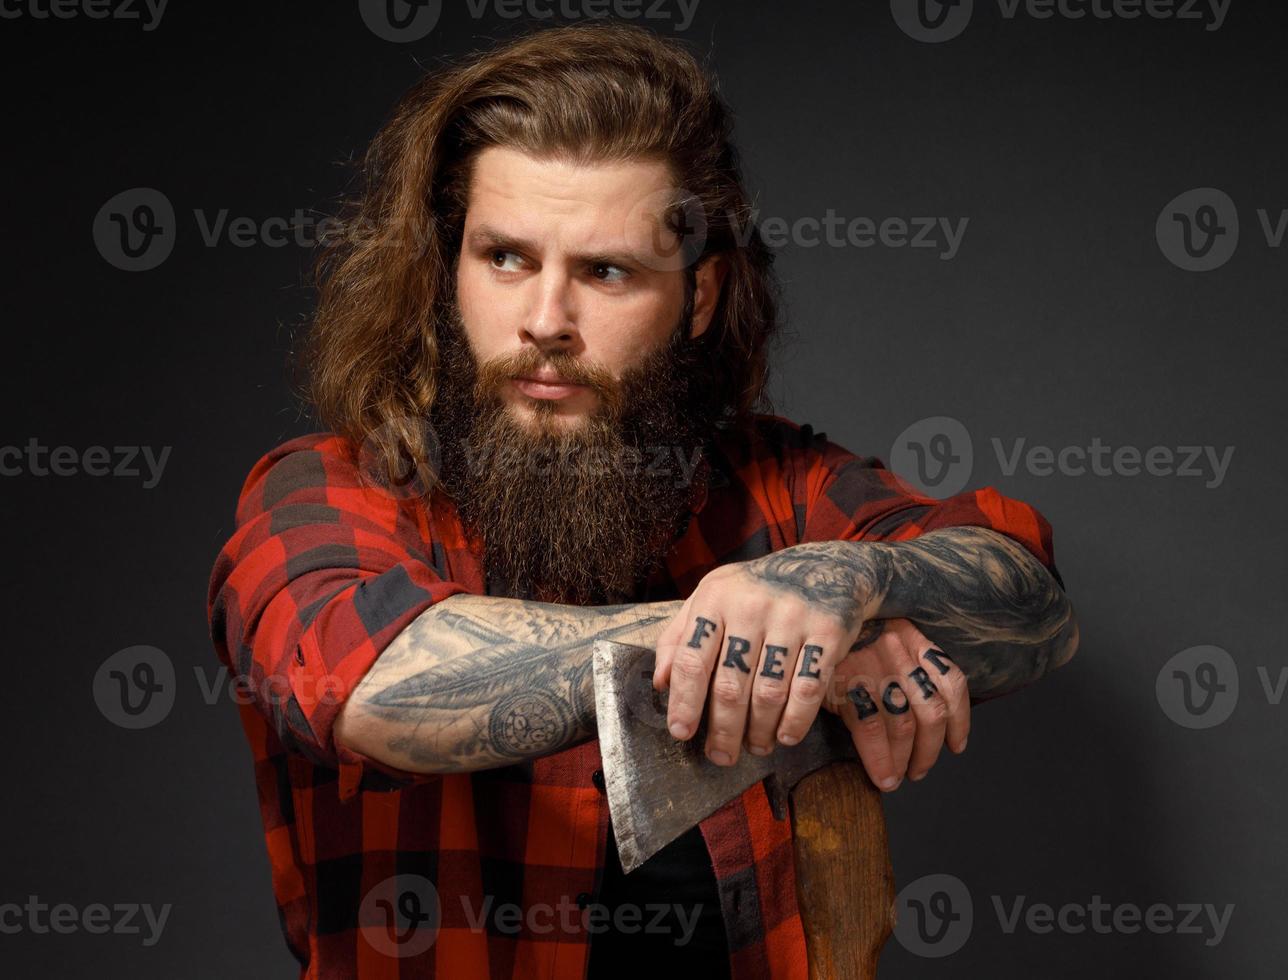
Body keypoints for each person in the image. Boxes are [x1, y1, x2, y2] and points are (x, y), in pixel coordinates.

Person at [205, 23, 1079, 979]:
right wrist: (769, 633)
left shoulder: (782, 490)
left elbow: (1031, 605)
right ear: (447, 269)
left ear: (698, 298)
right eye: (503, 258)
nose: (544, 322)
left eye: (605, 272)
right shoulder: (327, 489)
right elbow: (369, 688)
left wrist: (846, 574)